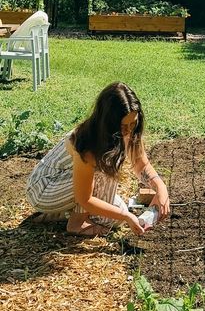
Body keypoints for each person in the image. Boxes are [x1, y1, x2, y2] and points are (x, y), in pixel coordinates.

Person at [25, 82, 170, 237]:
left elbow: (140, 164)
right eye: (123, 126)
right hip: (44, 187)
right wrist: (126, 216)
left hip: (67, 186)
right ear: (108, 123)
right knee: (108, 192)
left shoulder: (128, 132)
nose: (128, 131)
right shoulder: (87, 142)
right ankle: (76, 223)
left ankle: (60, 214)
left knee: (115, 220)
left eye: (133, 123)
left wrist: (161, 188)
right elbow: (85, 198)